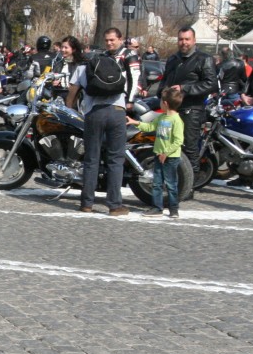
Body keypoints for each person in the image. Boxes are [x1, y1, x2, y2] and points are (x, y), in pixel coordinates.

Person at [65, 27, 140, 215]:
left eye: (111, 40)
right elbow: (133, 81)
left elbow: (72, 90)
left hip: (94, 113)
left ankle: (86, 203)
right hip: (117, 112)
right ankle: (114, 205)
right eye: (107, 40)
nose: (109, 43)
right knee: (115, 160)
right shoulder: (121, 62)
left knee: (91, 159)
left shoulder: (87, 65)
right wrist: (130, 101)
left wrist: (70, 107)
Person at [161, 26, 216, 171]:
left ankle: (191, 181)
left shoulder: (204, 59)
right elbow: (165, 80)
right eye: (181, 39)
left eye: (187, 39)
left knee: (189, 147)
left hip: (192, 109)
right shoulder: (173, 59)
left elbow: (211, 84)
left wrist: (184, 89)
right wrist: (161, 92)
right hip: (172, 109)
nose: (184, 42)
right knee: (169, 145)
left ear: (194, 40)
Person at [128, 86, 185, 218]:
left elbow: (178, 141)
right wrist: (135, 122)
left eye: (161, 102)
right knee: (157, 183)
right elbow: (150, 127)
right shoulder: (161, 117)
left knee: (171, 184)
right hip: (158, 154)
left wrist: (166, 153)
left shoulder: (176, 120)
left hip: (170, 157)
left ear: (165, 103)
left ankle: (173, 208)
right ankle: (157, 207)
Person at [51, 35, 83, 100]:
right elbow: (51, 78)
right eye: (62, 47)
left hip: (74, 98)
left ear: (73, 49)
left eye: (66, 47)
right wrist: (53, 82)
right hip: (58, 96)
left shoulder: (80, 65)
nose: (63, 50)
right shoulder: (58, 63)